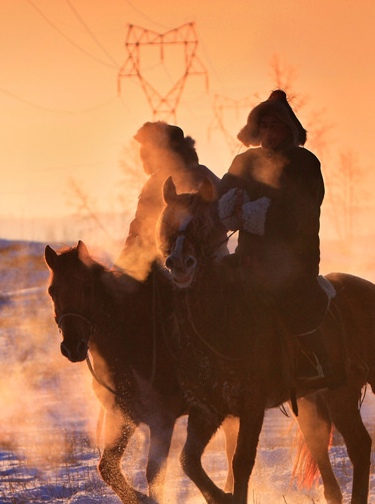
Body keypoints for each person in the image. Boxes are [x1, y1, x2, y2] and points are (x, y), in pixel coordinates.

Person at [218, 90, 333, 382]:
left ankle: (312, 359)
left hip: (293, 258)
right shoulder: (245, 161)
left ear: (289, 129)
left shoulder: (304, 162)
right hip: (248, 256)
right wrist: (228, 207)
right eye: (265, 125)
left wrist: (255, 213)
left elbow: (302, 211)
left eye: (275, 125)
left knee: (290, 299)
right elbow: (223, 196)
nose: (269, 132)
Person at [117, 121, 222, 280]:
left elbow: (222, 215)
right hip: (158, 256)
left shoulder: (201, 177)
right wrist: (123, 264)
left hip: (205, 257)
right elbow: (139, 225)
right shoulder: (153, 183)